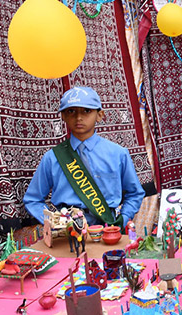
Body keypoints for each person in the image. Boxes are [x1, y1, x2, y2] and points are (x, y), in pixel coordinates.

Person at [24, 86, 145, 228]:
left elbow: (135, 193)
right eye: (71, 111)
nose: (78, 117)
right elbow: (33, 199)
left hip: (107, 227)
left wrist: (122, 220)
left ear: (99, 115)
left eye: (87, 111)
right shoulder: (53, 158)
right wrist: (53, 222)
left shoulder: (118, 154)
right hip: (68, 230)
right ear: (63, 116)